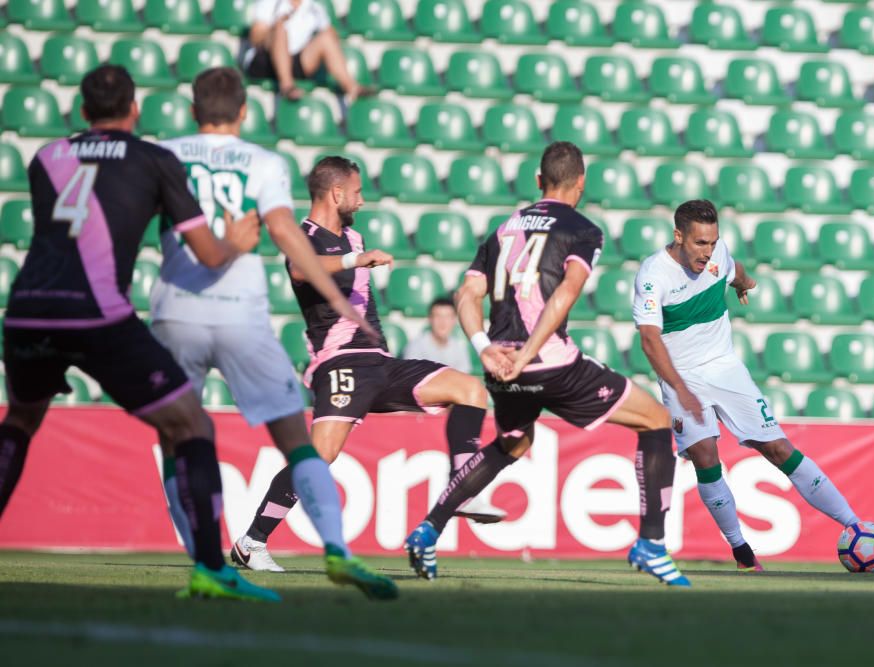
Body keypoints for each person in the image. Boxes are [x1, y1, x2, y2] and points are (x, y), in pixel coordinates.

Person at [0, 65, 278, 602]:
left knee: (22, 420)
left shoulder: (45, 158)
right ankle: (209, 567)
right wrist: (240, 239)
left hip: (29, 309)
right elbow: (209, 254)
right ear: (135, 110)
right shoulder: (154, 159)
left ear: (82, 111)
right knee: (190, 424)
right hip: (98, 314)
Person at [150, 67, 396, 600]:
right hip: (240, 314)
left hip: (174, 312)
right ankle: (336, 551)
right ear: (243, 112)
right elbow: (287, 234)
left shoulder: (165, 156)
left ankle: (205, 564)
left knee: (179, 442)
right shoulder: (263, 163)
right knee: (297, 440)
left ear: (193, 113)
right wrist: (340, 302)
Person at [404, 142, 691, 588]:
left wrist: (484, 347)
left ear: (539, 181)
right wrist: (531, 348)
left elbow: (466, 296)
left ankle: (428, 528)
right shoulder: (582, 230)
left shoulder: (503, 230)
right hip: (548, 362)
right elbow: (566, 292)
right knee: (655, 421)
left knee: (513, 443)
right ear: (581, 184)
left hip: (501, 365)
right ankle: (652, 544)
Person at [230, 155, 506, 570]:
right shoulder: (304, 236)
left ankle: (462, 488)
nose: (361, 200)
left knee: (469, 389)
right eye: (356, 192)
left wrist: (355, 256)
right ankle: (252, 542)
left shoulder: (353, 237)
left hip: (380, 363)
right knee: (318, 457)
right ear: (336, 192)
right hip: (339, 364)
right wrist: (353, 261)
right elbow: (302, 271)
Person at [632, 199, 874, 573]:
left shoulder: (717, 254)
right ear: (678, 236)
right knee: (706, 458)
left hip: (726, 369)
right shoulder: (652, 275)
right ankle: (743, 554)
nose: (707, 251)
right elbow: (649, 340)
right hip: (682, 378)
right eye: (699, 243)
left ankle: (858, 528)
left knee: (778, 447)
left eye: (712, 242)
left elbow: (732, 268)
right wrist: (679, 388)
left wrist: (744, 282)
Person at [243, 0, 371, 101]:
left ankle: (351, 87)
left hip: (296, 61)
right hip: (264, 61)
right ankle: (287, 85)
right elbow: (255, 38)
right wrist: (277, 25)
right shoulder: (270, 3)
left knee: (326, 39)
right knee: (280, 30)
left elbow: (332, 37)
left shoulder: (315, 8)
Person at [403, 297, 472, 373]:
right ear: (430, 319)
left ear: (454, 320)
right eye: (438, 316)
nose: (443, 322)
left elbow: (464, 377)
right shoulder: (415, 347)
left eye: (448, 317)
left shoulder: (459, 347)